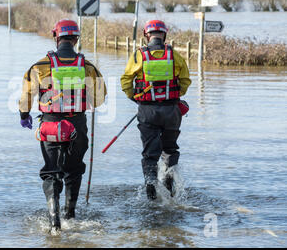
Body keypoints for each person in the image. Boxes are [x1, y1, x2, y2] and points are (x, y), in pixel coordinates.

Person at [19, 19, 107, 231]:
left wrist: (24, 115)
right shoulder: (87, 66)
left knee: (52, 171)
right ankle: (71, 215)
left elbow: (26, 96)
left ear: (56, 37)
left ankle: (54, 221)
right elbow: (100, 99)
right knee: (74, 171)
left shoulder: (39, 66)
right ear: (76, 39)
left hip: (50, 125)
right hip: (77, 125)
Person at [120, 20, 191, 200]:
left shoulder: (139, 55)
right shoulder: (174, 55)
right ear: (164, 35)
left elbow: (126, 80)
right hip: (171, 110)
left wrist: (135, 98)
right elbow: (185, 81)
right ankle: (170, 188)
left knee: (150, 154)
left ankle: (150, 188)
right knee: (170, 150)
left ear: (146, 35)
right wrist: (174, 96)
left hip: (148, 111)